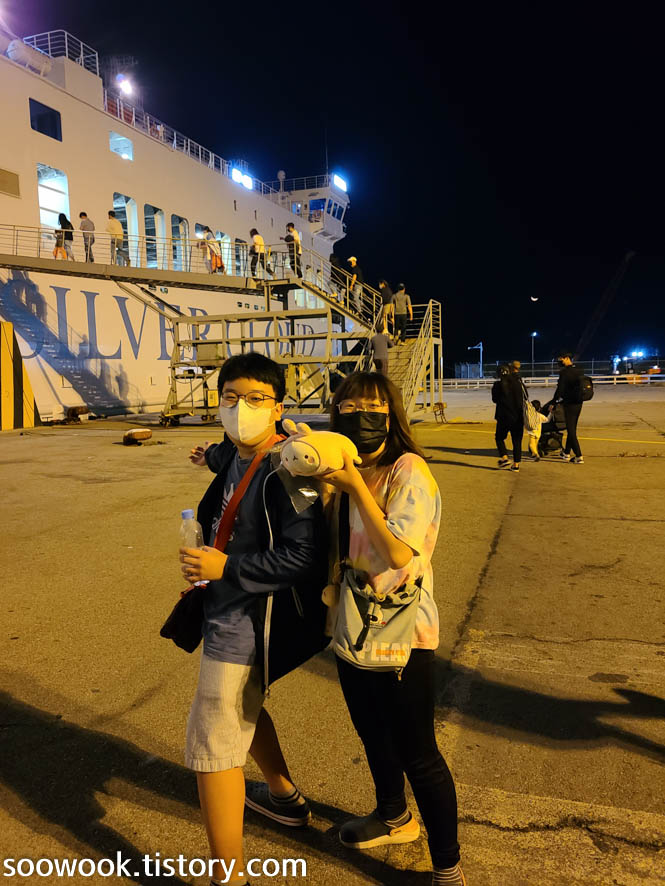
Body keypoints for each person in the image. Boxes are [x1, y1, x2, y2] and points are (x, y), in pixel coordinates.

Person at [181, 353, 327, 886]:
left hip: (247, 622)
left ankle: (229, 877)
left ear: (278, 407)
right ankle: (283, 796)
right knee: (245, 706)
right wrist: (209, 454)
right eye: (230, 398)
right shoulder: (235, 453)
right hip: (222, 607)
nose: (241, 409)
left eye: (256, 399)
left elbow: (304, 556)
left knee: (212, 747)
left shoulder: (291, 470)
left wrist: (227, 567)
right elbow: (228, 452)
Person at [323, 372, 465, 886]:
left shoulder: (409, 470)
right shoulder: (344, 467)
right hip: (352, 625)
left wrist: (354, 488)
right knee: (372, 734)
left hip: (403, 634)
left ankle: (447, 869)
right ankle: (393, 816)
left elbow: (399, 553)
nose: (360, 414)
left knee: (418, 753)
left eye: (373, 406)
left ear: (391, 414)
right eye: (348, 406)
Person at [551, 351, 584, 463]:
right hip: (579, 403)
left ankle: (579, 456)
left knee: (571, 430)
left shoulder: (565, 372)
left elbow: (560, 389)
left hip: (569, 403)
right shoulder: (579, 369)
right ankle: (566, 453)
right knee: (572, 428)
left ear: (567, 358)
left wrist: (553, 402)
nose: (560, 361)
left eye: (561, 359)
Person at [491, 362, 524, 471]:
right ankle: (516, 465)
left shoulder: (497, 385)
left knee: (499, 438)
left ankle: (504, 457)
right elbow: (524, 397)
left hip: (503, 416)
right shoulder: (517, 383)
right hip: (517, 416)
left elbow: (494, 400)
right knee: (517, 441)